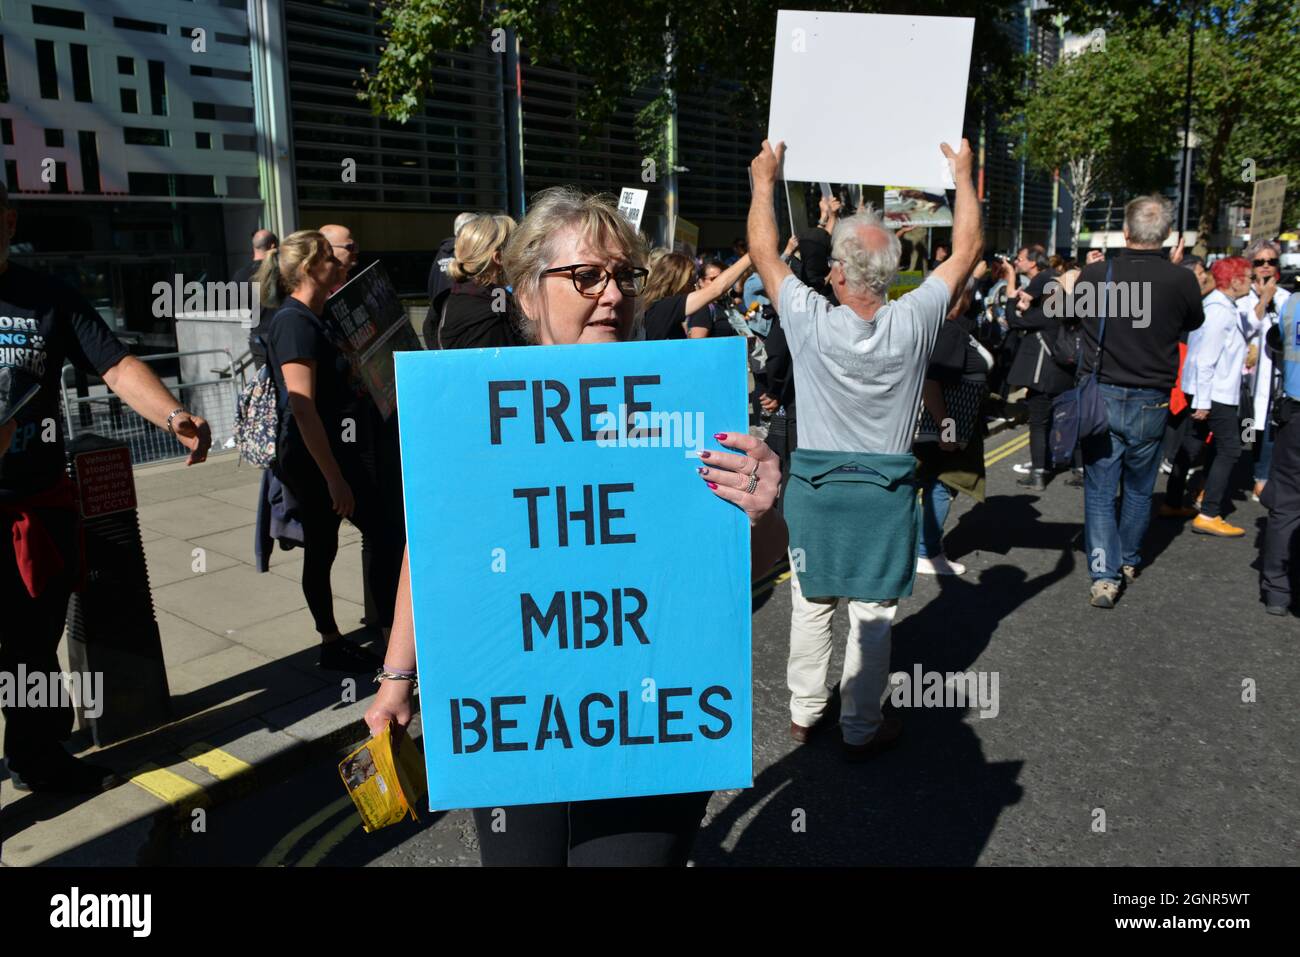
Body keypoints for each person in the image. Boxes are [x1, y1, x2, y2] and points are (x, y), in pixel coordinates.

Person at [364, 186, 788, 866]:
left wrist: (766, 508)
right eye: (586, 276)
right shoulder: (477, 410)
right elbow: (435, 546)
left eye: (625, 276)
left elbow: (757, 560)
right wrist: (395, 679)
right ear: (529, 294)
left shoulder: (684, 405)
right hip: (516, 724)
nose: (612, 294)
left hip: (650, 725)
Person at [747, 137, 982, 760]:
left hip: (817, 493)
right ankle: (859, 725)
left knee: (812, 604)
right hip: (885, 493)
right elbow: (968, 250)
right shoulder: (915, 320)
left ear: (842, 273)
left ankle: (803, 713)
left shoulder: (807, 317)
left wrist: (763, 181)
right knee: (873, 617)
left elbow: (763, 252)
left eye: (831, 267)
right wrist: (962, 174)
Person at [0, 182, 213, 793]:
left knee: (31, 647)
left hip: (34, 511)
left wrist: (174, 416)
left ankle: (37, 759)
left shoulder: (48, 298)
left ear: (10, 221)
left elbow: (115, 365)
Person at [258, 231, 402, 671]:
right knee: (365, 538)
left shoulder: (321, 314)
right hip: (317, 459)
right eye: (330, 258)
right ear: (308, 269)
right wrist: (334, 478)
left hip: (343, 451)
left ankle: (362, 638)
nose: (341, 264)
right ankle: (352, 641)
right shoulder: (294, 322)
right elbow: (302, 410)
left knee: (348, 542)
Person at [1076, 196, 1204, 608]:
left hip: (1104, 393)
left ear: (1125, 233)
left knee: (1099, 489)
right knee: (1138, 487)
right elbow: (1192, 322)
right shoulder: (1182, 280)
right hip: (1152, 397)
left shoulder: (1095, 276)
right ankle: (1128, 559)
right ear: (1167, 235)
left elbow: (1067, 315)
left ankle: (1104, 574)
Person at [1163, 257, 1253, 536]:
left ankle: (1172, 501)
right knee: (1229, 449)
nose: (1251, 282)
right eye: (1248, 277)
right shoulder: (1220, 312)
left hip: (1207, 391)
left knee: (1191, 445)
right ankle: (1210, 513)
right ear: (1235, 280)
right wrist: (1202, 403)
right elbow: (1204, 361)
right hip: (1214, 394)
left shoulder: (1218, 307)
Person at [915, 276, 992, 575]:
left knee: (924, 483)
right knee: (942, 484)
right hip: (940, 429)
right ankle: (926, 552)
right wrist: (948, 429)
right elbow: (931, 382)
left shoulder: (940, 326)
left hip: (938, 426)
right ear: (963, 296)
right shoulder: (947, 330)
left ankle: (918, 549)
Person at [1004, 244, 1069, 490]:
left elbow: (1013, 321)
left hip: (1043, 374)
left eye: (1020, 258)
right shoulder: (1058, 308)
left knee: (1038, 423)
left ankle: (1039, 473)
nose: (1016, 262)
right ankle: (1052, 464)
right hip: (1060, 373)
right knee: (1052, 420)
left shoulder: (1045, 313)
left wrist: (1011, 289)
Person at [1239, 239, 1291, 502]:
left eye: (1271, 261)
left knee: (1269, 428)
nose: (1266, 267)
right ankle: (1211, 481)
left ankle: (1262, 479)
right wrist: (1263, 300)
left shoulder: (1287, 298)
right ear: (1251, 266)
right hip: (1245, 379)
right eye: (1260, 262)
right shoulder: (1241, 297)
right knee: (1243, 430)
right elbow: (1247, 328)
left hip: (1274, 377)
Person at [1259, 291, 1300, 615]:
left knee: (1286, 503)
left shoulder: (1293, 304)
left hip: (1295, 414)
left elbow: (1279, 344)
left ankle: (1276, 590)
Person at [423, 214, 520, 349]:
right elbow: (500, 367)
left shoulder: (459, 295)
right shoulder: (488, 319)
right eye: (517, 249)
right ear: (498, 258)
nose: (522, 257)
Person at [642, 249, 752, 341]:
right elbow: (716, 289)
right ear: (678, 282)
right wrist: (751, 254)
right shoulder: (665, 307)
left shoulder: (660, 308)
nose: (694, 287)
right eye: (690, 282)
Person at [236, 229, 279, 366]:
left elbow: (238, 305)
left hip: (258, 337)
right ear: (273, 246)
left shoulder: (240, 275)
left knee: (265, 382)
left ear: (254, 247)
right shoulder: (281, 271)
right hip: (280, 333)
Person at [427, 211, 479, 308]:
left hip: (440, 315)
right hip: (458, 314)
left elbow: (432, 285)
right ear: (469, 231)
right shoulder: (466, 255)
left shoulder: (441, 253)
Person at [687, 259, 743, 338]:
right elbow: (697, 345)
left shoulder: (725, 304)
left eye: (721, 278)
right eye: (713, 279)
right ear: (701, 282)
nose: (719, 283)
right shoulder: (703, 308)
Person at [320, 224, 360, 289]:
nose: (356, 251)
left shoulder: (349, 279)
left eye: (355, 246)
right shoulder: (318, 292)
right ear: (327, 249)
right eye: (350, 247)